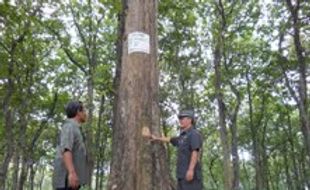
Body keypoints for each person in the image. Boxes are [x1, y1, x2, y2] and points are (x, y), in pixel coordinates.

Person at [151, 109, 203, 190]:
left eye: (182, 118)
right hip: (181, 175)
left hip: (191, 176)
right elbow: (171, 139)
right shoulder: (182, 136)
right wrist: (157, 138)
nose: (180, 120)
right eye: (180, 119)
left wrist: (190, 170)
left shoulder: (194, 134)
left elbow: (195, 152)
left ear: (190, 120)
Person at [53, 101, 88, 190]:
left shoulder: (76, 128)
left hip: (71, 183)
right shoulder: (69, 126)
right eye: (84, 110)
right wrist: (72, 173)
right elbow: (66, 150)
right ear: (78, 112)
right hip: (65, 181)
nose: (85, 113)